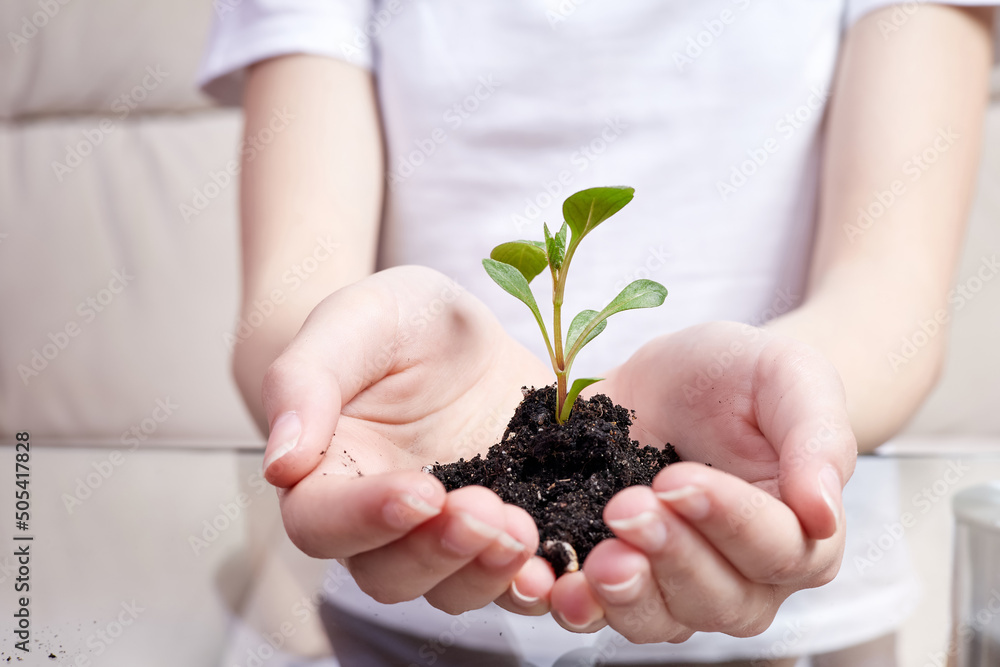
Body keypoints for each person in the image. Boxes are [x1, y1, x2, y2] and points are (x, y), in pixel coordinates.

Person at [198, 1, 995, 664]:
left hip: (807, 631)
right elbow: (290, 302)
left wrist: (785, 404)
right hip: (403, 621)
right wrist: (340, 379)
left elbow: (896, 299)